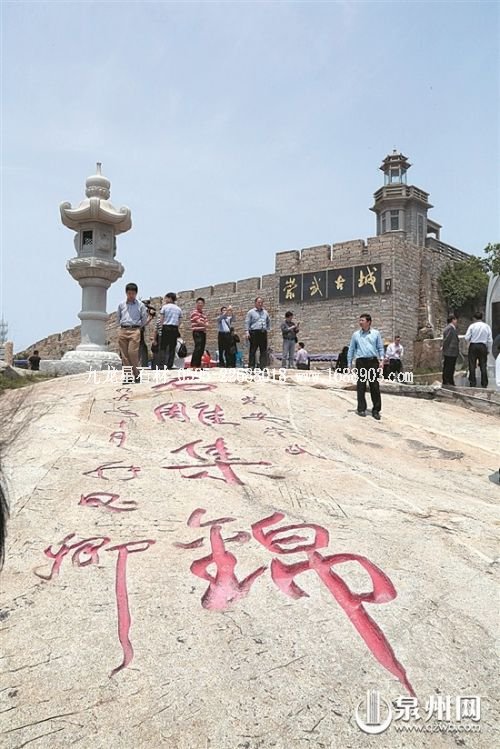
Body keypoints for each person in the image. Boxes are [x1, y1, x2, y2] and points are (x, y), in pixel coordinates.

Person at [347, 313, 384, 420]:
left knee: (374, 385)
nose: (360, 322)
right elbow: (351, 349)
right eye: (360, 320)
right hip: (361, 361)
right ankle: (361, 408)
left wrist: (381, 360)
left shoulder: (376, 333)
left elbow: (380, 348)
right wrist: (349, 363)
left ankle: (376, 410)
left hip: (373, 361)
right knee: (361, 385)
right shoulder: (356, 335)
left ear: (369, 322)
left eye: (362, 320)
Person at [117, 283, 148, 383]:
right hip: (123, 330)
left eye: (133, 293)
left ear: (136, 293)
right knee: (124, 355)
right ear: (126, 293)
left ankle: (136, 373)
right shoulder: (121, 305)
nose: (131, 295)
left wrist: (138, 328)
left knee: (132, 353)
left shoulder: (140, 305)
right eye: (129, 293)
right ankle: (128, 376)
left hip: (134, 330)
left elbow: (144, 318)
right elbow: (118, 317)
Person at [465, 312, 493, 388]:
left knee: (472, 364)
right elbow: (490, 340)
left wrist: (470, 341)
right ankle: (484, 383)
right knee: (483, 365)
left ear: (474, 318)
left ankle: (472, 382)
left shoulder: (472, 326)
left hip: (473, 345)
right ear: (482, 317)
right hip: (482, 346)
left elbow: (467, 337)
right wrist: (488, 349)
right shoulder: (487, 326)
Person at [245, 297, 271, 369]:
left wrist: (268, 329)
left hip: (263, 332)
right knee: (253, 350)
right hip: (254, 332)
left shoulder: (265, 312)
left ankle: (263, 366)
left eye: (261, 302)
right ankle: (251, 366)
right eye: (259, 302)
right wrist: (247, 331)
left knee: (263, 350)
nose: (260, 304)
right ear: (255, 303)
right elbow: (247, 322)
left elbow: (268, 321)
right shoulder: (251, 312)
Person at [159, 292, 182, 370]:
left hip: (166, 327)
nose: (165, 299)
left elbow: (161, 319)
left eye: (166, 298)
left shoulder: (164, 307)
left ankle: (162, 365)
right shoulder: (178, 309)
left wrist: (162, 327)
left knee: (163, 347)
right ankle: (170, 365)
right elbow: (180, 321)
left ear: (170, 298)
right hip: (174, 328)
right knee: (172, 347)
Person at [190, 297, 209, 368]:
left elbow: (206, 321)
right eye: (199, 303)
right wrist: (206, 325)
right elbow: (199, 322)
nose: (200, 304)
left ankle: (198, 364)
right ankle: (193, 364)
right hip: (197, 332)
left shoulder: (203, 314)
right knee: (198, 347)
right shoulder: (194, 312)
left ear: (203, 304)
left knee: (201, 348)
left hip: (203, 332)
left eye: (201, 303)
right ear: (196, 304)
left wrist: (206, 324)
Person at [441, 315, 459, 387]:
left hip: (452, 351)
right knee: (448, 366)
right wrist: (444, 348)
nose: (456, 321)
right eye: (455, 319)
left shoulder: (452, 328)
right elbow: (447, 339)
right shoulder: (449, 328)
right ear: (452, 320)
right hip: (449, 351)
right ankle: (446, 381)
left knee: (451, 367)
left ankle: (450, 380)